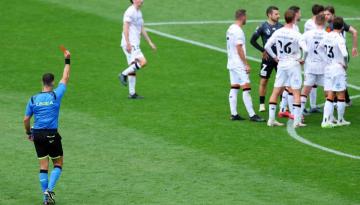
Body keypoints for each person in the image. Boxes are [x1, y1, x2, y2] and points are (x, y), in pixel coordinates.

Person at [24, 49, 71, 205]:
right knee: (58, 164)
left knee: (43, 166)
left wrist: (28, 132)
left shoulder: (33, 99)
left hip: (37, 134)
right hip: (51, 134)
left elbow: (26, 119)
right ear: (52, 83)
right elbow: (66, 77)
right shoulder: (56, 95)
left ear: (42, 83)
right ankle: (49, 192)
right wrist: (67, 60)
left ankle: (46, 198)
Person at [265, 9, 307, 128]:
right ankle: (297, 121)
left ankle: (271, 120)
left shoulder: (278, 32)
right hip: (293, 64)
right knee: (296, 92)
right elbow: (306, 49)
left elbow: (267, 46)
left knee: (276, 91)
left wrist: (275, 57)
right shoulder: (297, 34)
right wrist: (303, 59)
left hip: (282, 63)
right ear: (294, 19)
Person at [226, 9, 265, 122]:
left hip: (231, 63)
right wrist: (246, 64)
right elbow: (239, 48)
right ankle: (252, 115)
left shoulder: (230, 28)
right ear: (242, 17)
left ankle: (234, 114)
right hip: (238, 64)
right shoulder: (238, 31)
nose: (247, 18)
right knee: (246, 88)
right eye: (246, 16)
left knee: (234, 87)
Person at [119, 0, 157, 99]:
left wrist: (150, 42)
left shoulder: (139, 12)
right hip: (131, 44)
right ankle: (123, 74)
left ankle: (132, 94)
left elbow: (142, 29)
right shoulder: (130, 11)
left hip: (133, 43)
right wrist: (127, 43)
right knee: (143, 62)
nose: (142, 0)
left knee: (133, 67)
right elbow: (125, 27)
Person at [250, 6, 282, 112]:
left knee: (282, 81)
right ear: (269, 15)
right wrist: (262, 50)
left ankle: (283, 104)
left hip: (279, 59)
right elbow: (252, 40)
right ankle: (262, 104)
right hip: (267, 59)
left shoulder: (281, 27)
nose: (278, 16)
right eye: (276, 14)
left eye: (278, 14)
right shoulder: (262, 27)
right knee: (264, 81)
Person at [324, 5, 358, 106]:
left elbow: (355, 32)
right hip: (338, 55)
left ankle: (336, 101)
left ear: (333, 14)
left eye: (328, 14)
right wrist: (354, 47)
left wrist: (354, 47)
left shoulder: (332, 26)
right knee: (340, 77)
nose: (326, 16)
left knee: (336, 78)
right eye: (325, 14)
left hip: (339, 56)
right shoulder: (339, 23)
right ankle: (346, 100)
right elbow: (354, 32)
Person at [319, 17, 350, 128]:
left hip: (328, 68)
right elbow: (345, 54)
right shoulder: (339, 38)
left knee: (330, 93)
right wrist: (345, 64)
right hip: (337, 68)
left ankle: (325, 120)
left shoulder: (327, 35)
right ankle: (340, 120)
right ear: (342, 27)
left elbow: (319, 48)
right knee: (341, 93)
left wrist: (326, 59)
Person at [300, 14, 327, 118]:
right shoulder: (327, 35)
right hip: (323, 67)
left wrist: (303, 57)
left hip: (310, 66)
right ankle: (328, 118)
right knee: (328, 91)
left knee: (305, 90)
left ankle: (299, 114)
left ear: (315, 21)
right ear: (324, 22)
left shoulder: (308, 34)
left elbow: (301, 43)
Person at [278, 5, 301, 119]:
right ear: (295, 14)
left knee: (287, 86)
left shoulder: (284, 29)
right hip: (292, 62)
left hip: (283, 62)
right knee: (293, 88)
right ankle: (293, 113)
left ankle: (283, 108)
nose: (300, 15)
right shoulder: (294, 29)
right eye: (299, 13)